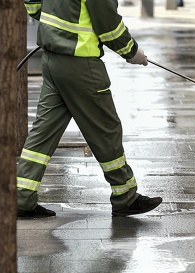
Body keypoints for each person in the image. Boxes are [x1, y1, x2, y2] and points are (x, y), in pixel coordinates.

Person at [17, 0, 163, 218]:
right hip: (80, 64)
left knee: (43, 132)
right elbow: (109, 26)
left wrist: (55, 27)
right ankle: (125, 196)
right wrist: (132, 52)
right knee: (106, 130)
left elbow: (32, 4)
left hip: (52, 59)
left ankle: (22, 197)